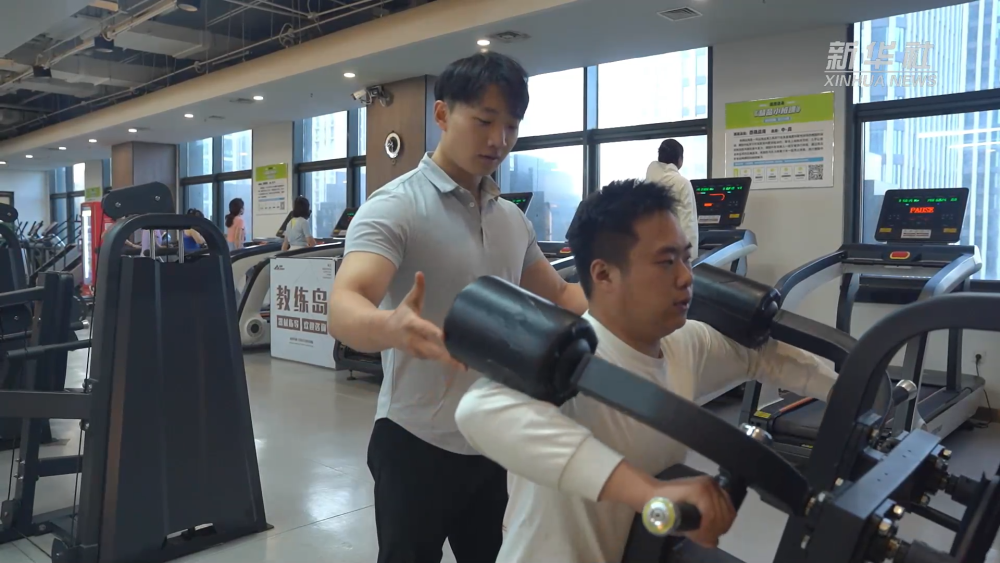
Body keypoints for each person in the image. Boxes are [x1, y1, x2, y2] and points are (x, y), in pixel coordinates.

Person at [455, 179, 838, 563]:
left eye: (686, 258)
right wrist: (647, 492)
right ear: (604, 275)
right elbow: (476, 409)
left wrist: (844, 392)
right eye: (666, 262)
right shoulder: (568, 362)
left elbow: (760, 356)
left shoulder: (685, 343)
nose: (686, 276)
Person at [327, 51, 588, 563]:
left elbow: (560, 296)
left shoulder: (512, 219)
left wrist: (628, 303)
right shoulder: (396, 206)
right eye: (485, 121)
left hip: (493, 439)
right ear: (442, 114)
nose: (499, 140)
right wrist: (389, 326)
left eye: (511, 125)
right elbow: (344, 304)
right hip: (415, 441)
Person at [646, 139, 699, 258]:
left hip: (654, 248)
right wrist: (690, 258)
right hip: (676, 249)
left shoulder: (648, 181)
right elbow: (688, 224)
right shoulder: (682, 183)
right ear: (680, 159)